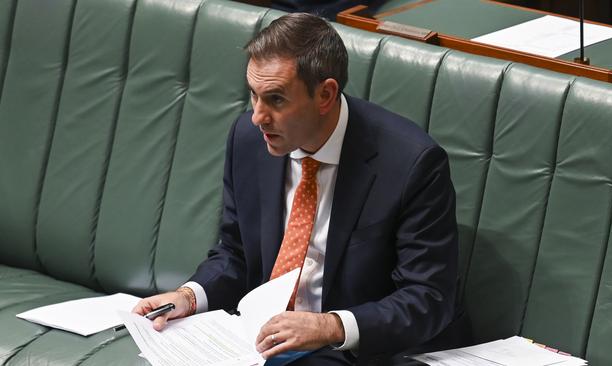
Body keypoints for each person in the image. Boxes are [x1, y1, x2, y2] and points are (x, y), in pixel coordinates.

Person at [134, 12, 459, 365]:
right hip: (260, 340)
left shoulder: (411, 163)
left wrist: (331, 326)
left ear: (325, 95)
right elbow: (236, 253)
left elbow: (428, 297)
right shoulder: (248, 139)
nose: (258, 116)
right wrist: (189, 297)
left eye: (275, 99)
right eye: (253, 96)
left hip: (352, 348)